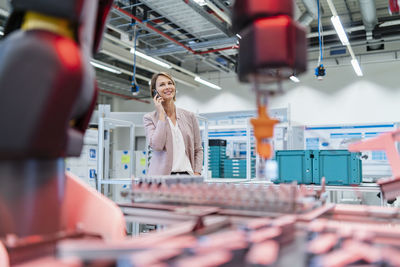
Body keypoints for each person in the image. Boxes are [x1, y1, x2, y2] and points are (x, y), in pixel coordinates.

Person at [143, 72, 203, 176]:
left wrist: (197, 172)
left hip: (187, 176)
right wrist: (161, 114)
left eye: (170, 83)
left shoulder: (189, 116)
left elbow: (198, 149)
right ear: (154, 92)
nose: (167, 87)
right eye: (162, 85)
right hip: (162, 178)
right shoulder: (149, 118)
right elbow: (157, 145)